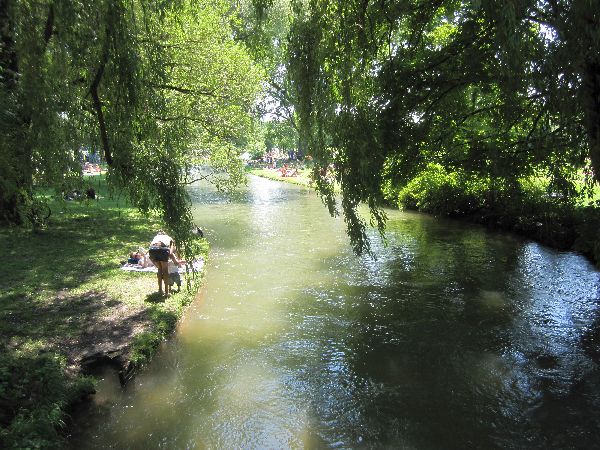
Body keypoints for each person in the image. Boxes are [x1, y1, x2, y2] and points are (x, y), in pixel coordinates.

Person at [148, 231, 181, 296]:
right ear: (165, 234)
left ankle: (160, 290)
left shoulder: (156, 238)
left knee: (160, 270)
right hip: (162, 250)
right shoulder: (170, 239)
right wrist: (175, 261)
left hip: (152, 250)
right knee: (165, 271)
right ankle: (166, 292)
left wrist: (155, 263)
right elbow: (171, 253)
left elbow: (150, 249)